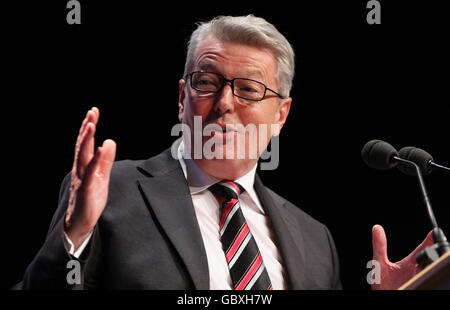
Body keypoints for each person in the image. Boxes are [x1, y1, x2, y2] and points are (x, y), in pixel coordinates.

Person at [19, 15, 433, 290]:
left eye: (250, 89)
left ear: (281, 114)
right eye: (207, 82)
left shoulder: (315, 239)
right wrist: (73, 237)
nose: (224, 103)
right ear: (182, 98)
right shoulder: (114, 191)